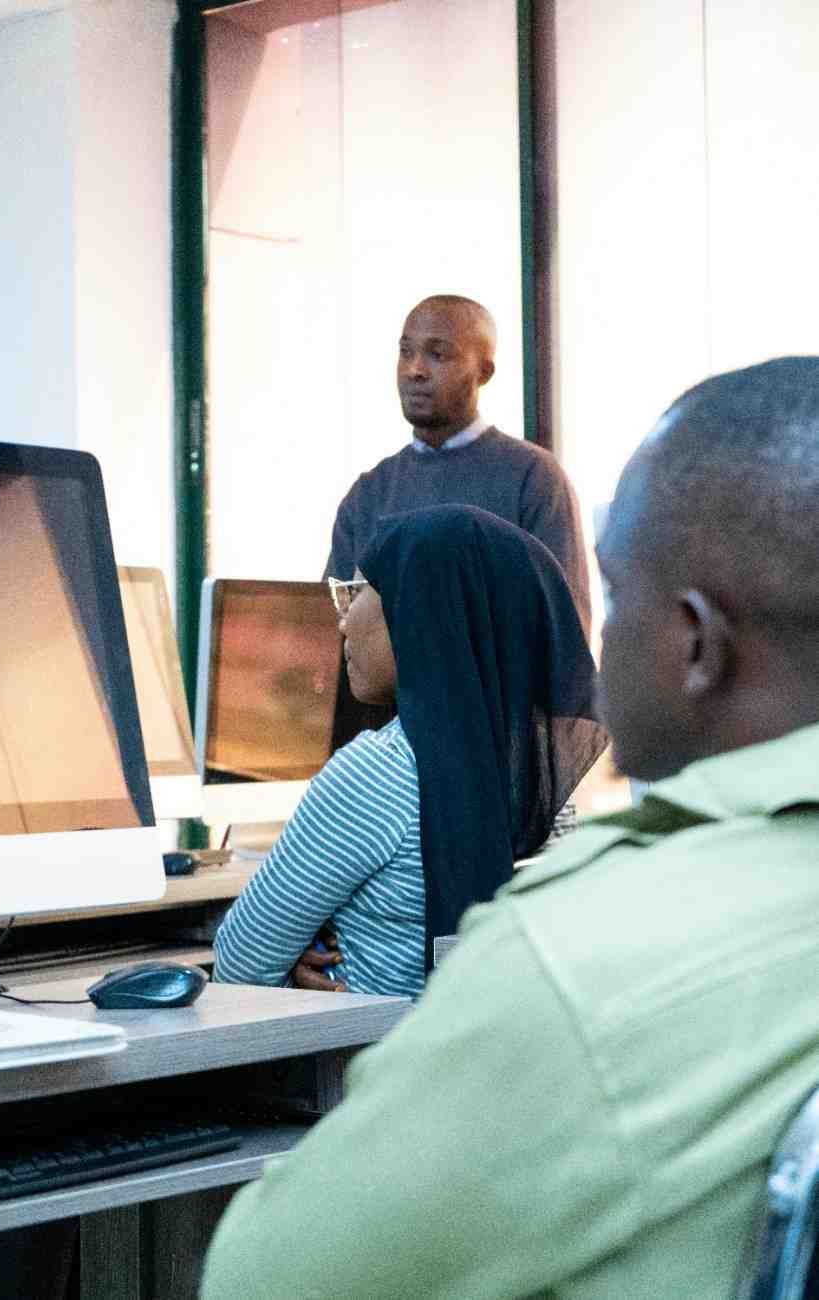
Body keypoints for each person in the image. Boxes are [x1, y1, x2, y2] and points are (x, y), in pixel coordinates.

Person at [201, 356, 819, 1300]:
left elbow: (262, 1280)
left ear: (696, 645)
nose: (588, 640)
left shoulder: (569, 962)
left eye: (614, 597)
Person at [213, 504, 605, 998]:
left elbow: (239, 966)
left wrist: (290, 959)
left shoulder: (376, 774)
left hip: (367, 1066)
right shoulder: (545, 783)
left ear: (417, 612)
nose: (342, 624)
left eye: (353, 595)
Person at [326, 295, 591, 634]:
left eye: (438, 354)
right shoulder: (368, 493)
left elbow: (565, 637)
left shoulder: (534, 479)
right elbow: (332, 634)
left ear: (485, 371)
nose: (414, 370)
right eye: (406, 351)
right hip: (386, 692)